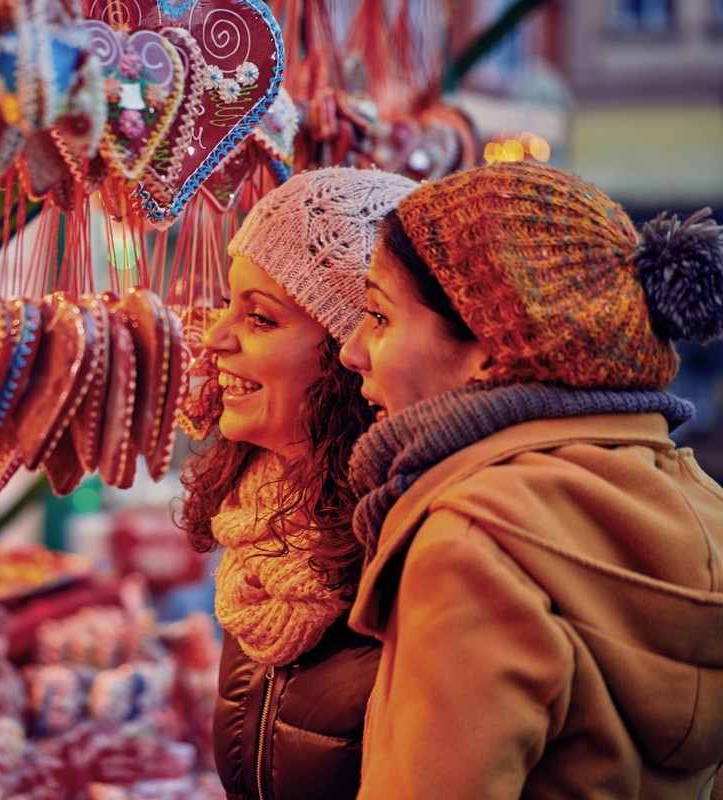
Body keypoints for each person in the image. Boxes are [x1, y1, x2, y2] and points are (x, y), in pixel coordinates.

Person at [338, 159, 723, 798]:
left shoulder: (473, 542)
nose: (352, 350)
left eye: (379, 316)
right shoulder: (700, 501)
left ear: (493, 346)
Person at [178, 166, 419, 800]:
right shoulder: (259, 537)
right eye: (227, 305)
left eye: (259, 319)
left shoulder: (411, 556)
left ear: (352, 354)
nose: (213, 338)